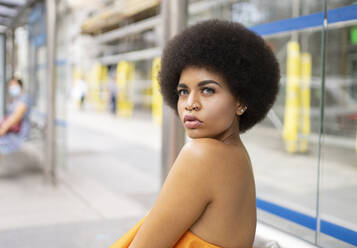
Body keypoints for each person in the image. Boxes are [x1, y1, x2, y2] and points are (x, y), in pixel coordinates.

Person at [111, 19, 280, 248]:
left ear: (240, 101)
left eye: (208, 90)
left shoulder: (202, 154)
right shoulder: (237, 155)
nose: (190, 104)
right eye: (183, 91)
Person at [0, 77, 31, 155]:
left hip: (18, 135)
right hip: (10, 132)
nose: (12, 87)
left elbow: (16, 117)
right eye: (10, 85)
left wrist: (3, 129)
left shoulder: (25, 99)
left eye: (14, 85)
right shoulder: (15, 99)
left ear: (20, 86)